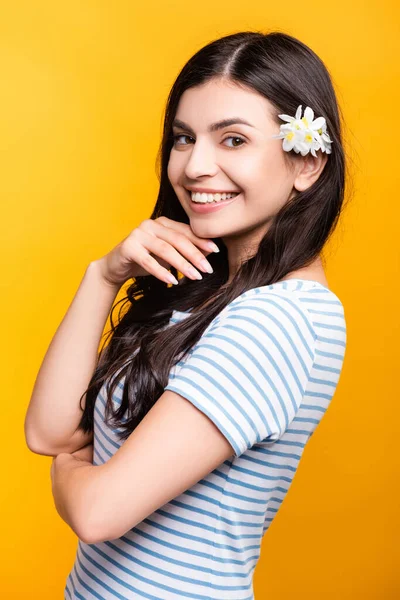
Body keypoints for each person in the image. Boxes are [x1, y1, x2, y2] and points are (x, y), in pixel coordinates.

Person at [25, 30, 347, 599]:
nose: (195, 165)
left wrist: (71, 476)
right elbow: (49, 431)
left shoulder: (280, 319)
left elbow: (98, 513)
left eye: (233, 139)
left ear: (307, 164)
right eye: (183, 137)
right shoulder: (208, 293)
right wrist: (103, 275)